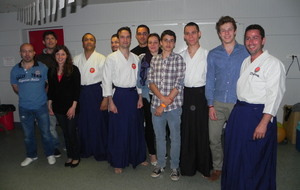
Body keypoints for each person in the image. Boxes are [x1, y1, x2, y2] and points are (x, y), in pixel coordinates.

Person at [221, 24, 286, 190]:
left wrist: (264, 122)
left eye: (255, 37)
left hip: (259, 116)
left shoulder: (273, 64)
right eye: (248, 38)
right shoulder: (245, 62)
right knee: (236, 156)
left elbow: (274, 95)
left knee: (254, 158)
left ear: (263, 40)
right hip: (241, 113)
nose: (251, 42)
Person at [205, 16, 249, 181]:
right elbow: (209, 80)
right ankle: (218, 167)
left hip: (238, 103)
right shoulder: (213, 54)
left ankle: (237, 167)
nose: (227, 33)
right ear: (219, 33)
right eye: (223, 30)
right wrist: (210, 105)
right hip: (217, 103)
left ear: (235, 31)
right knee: (214, 138)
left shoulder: (246, 51)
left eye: (230, 29)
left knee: (237, 139)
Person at [103, 27, 146, 174]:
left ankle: (137, 157)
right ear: (118, 38)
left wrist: (140, 96)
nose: (125, 40)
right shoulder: (111, 58)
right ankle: (118, 161)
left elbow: (139, 79)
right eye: (122, 37)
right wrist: (110, 101)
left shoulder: (135, 57)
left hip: (133, 95)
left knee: (135, 128)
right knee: (119, 130)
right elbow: (107, 80)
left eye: (128, 37)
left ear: (130, 39)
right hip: (119, 96)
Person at [148, 30, 186, 181]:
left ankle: (175, 167)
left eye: (171, 40)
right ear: (161, 43)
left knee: (175, 138)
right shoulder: (154, 60)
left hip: (173, 107)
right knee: (160, 137)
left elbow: (179, 85)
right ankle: (161, 165)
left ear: (174, 43)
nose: (168, 43)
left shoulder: (179, 60)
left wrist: (163, 104)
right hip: (156, 106)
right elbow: (150, 83)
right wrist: (162, 100)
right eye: (166, 40)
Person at [10, 43, 56, 166]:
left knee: (46, 133)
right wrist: (26, 95)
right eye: (24, 51)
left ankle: (50, 154)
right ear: (20, 53)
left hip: (41, 106)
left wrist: (43, 95)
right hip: (24, 108)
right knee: (27, 135)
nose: (27, 54)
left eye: (30, 51)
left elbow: (49, 84)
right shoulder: (15, 69)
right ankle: (31, 155)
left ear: (34, 53)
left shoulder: (42, 67)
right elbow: (15, 86)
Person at [179, 22, 212, 177]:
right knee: (186, 130)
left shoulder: (207, 54)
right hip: (185, 95)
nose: (191, 36)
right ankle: (187, 167)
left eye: (193, 32)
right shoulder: (181, 55)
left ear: (199, 34)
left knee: (202, 130)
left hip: (201, 94)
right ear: (184, 36)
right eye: (187, 33)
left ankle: (204, 166)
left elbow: (212, 79)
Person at [73, 33, 108, 161]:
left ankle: (100, 150)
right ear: (82, 43)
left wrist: (105, 98)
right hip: (81, 92)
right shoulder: (76, 59)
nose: (88, 42)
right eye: (86, 40)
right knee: (83, 123)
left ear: (95, 43)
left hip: (96, 92)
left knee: (98, 123)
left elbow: (106, 80)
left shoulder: (101, 58)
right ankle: (85, 149)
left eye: (91, 40)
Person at [48, 45, 81, 168]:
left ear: (67, 56)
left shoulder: (74, 69)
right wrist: (49, 104)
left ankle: (76, 156)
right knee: (66, 133)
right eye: (57, 54)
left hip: (71, 107)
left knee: (72, 132)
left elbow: (77, 90)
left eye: (63, 54)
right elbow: (51, 90)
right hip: (58, 107)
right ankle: (70, 156)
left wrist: (73, 107)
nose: (60, 57)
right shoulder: (51, 70)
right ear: (54, 56)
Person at [137, 33, 162, 166]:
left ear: (160, 44)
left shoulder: (166, 57)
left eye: (155, 42)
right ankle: (152, 153)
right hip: (148, 97)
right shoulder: (143, 59)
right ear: (147, 44)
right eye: (150, 42)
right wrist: (140, 97)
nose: (152, 45)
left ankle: (162, 150)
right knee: (150, 127)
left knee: (163, 126)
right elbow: (139, 81)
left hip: (162, 97)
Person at [35, 30, 61, 157]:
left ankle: (70, 144)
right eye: (47, 39)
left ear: (56, 41)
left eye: (52, 38)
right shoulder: (38, 59)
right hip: (46, 95)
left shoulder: (61, 55)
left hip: (61, 95)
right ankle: (55, 146)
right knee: (50, 124)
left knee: (67, 123)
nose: (50, 41)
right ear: (43, 42)